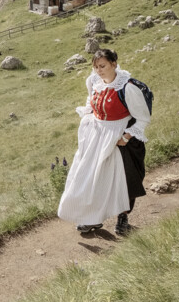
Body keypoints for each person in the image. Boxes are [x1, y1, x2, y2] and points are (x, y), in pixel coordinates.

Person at [57, 49, 151, 235]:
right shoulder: (93, 82)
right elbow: (90, 103)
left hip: (120, 140)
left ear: (114, 64)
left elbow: (143, 118)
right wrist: (89, 122)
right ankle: (91, 218)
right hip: (96, 137)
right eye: (96, 67)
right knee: (93, 178)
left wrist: (125, 137)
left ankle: (122, 219)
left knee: (124, 180)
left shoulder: (128, 87)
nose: (98, 71)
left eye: (103, 66)